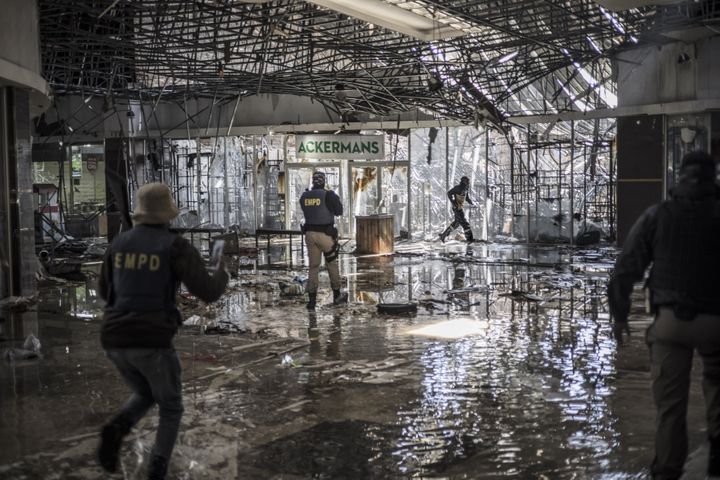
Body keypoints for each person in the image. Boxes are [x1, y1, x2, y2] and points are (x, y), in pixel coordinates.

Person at [97, 183, 228, 480]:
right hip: (151, 339)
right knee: (171, 406)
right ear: (168, 214)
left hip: (114, 338)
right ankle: (157, 467)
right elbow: (207, 292)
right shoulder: (175, 246)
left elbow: (105, 291)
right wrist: (222, 269)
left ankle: (115, 429)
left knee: (145, 391)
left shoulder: (118, 244)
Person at [608, 151, 720, 480]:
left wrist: (619, 316)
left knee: (670, 407)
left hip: (672, 322)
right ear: (714, 179)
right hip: (718, 322)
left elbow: (625, 269)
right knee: (717, 386)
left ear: (679, 178)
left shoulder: (658, 215)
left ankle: (668, 471)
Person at [299, 171, 348, 310]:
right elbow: (339, 211)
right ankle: (337, 295)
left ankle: (312, 301)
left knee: (313, 267)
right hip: (325, 235)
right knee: (331, 264)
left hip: (309, 235)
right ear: (324, 181)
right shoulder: (328, 195)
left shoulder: (304, 196)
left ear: (313, 181)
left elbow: (306, 210)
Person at [439, 175, 475, 243]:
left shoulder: (466, 188)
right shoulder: (458, 188)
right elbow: (449, 193)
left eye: (468, 181)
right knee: (465, 223)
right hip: (456, 208)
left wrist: (470, 202)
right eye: (467, 181)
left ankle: (443, 235)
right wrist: (453, 202)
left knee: (457, 223)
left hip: (460, 207)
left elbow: (466, 197)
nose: (468, 182)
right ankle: (469, 239)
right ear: (463, 181)